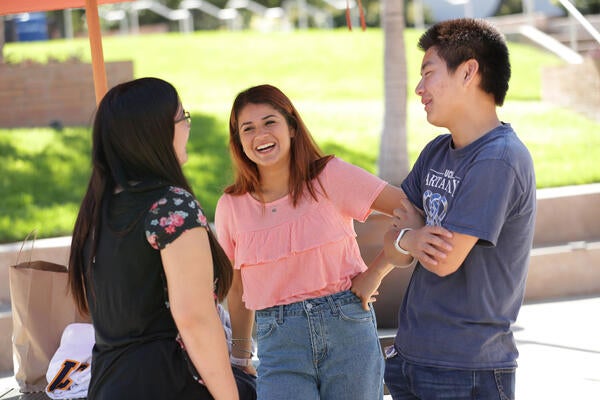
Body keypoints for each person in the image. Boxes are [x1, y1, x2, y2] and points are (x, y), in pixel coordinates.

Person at [214, 84, 411, 399]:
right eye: (247, 128)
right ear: (238, 141)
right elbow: (238, 288)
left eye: (269, 122)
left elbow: (409, 210)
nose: (260, 134)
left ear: (291, 127)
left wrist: (375, 273)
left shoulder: (330, 177)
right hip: (278, 344)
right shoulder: (231, 206)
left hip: (347, 329)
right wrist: (240, 354)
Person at [380, 18, 537, 399]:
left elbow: (443, 259)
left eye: (428, 73)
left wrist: (412, 238)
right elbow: (394, 246)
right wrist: (411, 237)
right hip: (411, 357)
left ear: (468, 72)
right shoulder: (436, 152)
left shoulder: (499, 159)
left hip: (467, 368)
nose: (418, 89)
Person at [67, 77, 241, 400]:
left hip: (108, 384)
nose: (188, 127)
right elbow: (194, 319)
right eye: (182, 118)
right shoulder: (170, 205)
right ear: (155, 132)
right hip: (168, 382)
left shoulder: (97, 209)